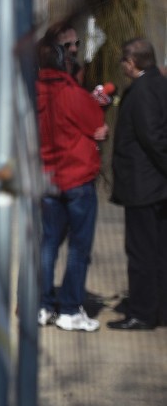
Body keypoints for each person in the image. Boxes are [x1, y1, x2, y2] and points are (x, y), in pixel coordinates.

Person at [36, 28, 108, 332]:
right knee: (79, 247)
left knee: (48, 242)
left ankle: (42, 304)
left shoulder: (31, 94)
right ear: (63, 61)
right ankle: (69, 309)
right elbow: (97, 127)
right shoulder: (72, 93)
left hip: (47, 179)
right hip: (77, 178)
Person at [107, 38, 167, 330]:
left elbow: (152, 137)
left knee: (142, 251)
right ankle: (158, 308)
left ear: (132, 63)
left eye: (124, 61)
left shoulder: (143, 91)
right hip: (155, 185)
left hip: (144, 186)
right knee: (158, 250)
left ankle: (142, 312)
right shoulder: (159, 83)